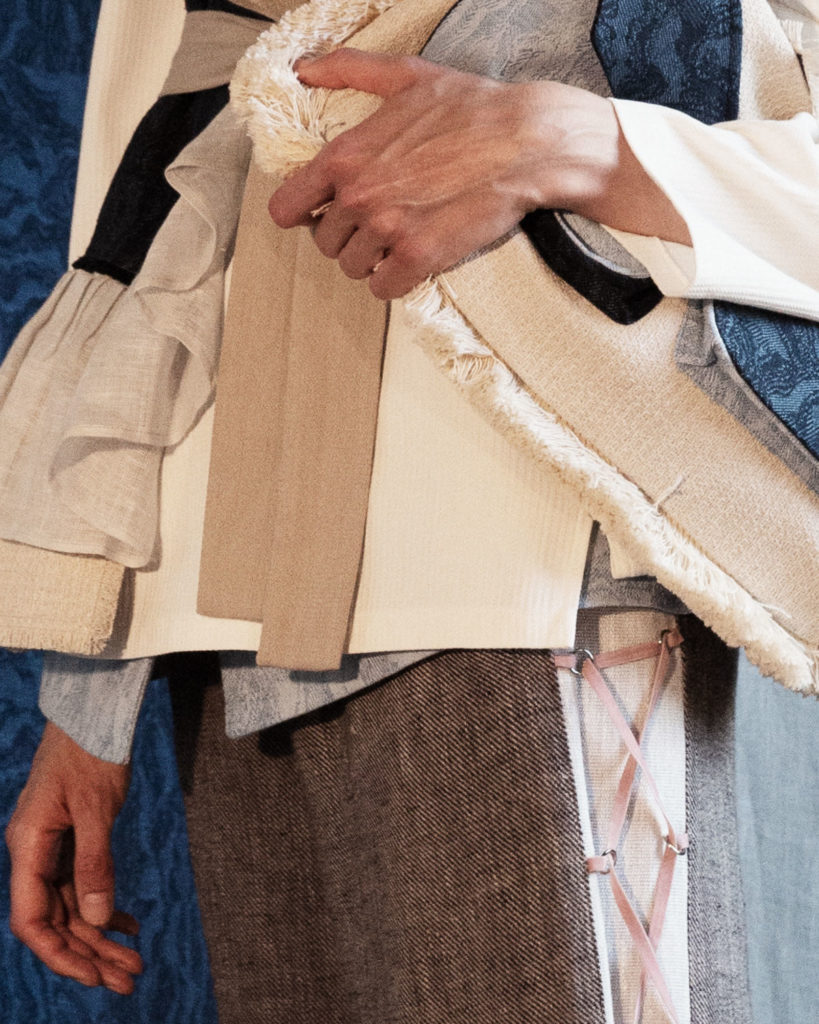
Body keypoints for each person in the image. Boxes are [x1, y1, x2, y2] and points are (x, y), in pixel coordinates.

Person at [4, 1, 818, 1021]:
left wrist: (585, 143)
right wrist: (91, 684)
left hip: (547, 542)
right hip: (221, 608)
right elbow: (156, 165)